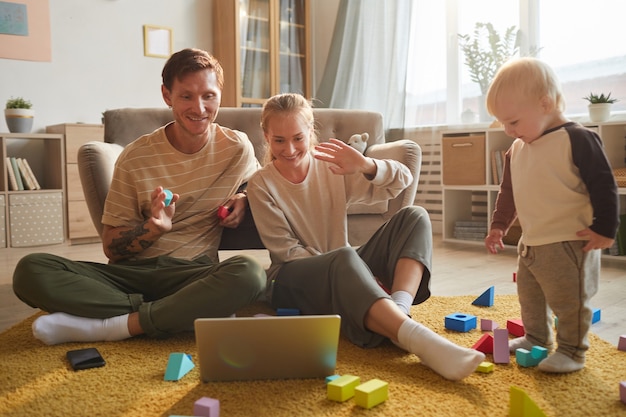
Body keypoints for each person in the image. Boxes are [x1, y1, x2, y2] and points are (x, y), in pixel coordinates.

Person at [12, 48, 266, 345]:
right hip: (129, 277)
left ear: (220, 94)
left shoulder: (236, 147)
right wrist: (153, 228)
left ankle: (113, 325)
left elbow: (265, 183)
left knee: (250, 274)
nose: (199, 108)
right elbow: (112, 248)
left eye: (208, 95)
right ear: (166, 95)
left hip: (191, 275)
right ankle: (182, 315)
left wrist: (245, 195)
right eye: (186, 96)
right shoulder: (135, 157)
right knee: (30, 271)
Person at [247, 93, 485, 381]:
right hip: (291, 279)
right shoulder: (261, 184)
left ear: (310, 132)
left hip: (343, 266)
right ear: (266, 136)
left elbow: (403, 180)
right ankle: (416, 338)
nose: (290, 149)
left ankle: (398, 312)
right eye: (279, 140)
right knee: (344, 256)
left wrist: (366, 165)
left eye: (298, 137)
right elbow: (286, 251)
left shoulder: (331, 165)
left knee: (415, 217)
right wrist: (355, 271)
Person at [484, 58, 619, 373]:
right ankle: (536, 339)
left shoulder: (577, 139)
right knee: (529, 297)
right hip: (531, 243)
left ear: (545, 104)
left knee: (569, 300)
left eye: (514, 122)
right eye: (503, 124)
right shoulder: (517, 149)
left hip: (570, 241)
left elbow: (604, 185)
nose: (508, 131)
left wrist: (605, 228)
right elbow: (509, 192)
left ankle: (573, 351)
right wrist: (498, 226)